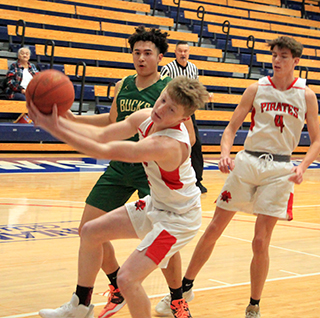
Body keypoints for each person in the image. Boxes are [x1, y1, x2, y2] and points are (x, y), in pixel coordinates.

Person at [156, 36, 320, 318]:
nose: (277, 60)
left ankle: (254, 304)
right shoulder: (256, 88)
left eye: (283, 56)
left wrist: (303, 166)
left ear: (296, 61)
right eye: (274, 55)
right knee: (214, 228)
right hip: (248, 162)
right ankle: (185, 288)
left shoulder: (306, 95)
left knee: (260, 241)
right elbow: (232, 128)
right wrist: (224, 153)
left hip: (280, 169)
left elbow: (316, 139)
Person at [41, 25, 194, 318]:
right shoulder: (123, 83)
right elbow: (111, 122)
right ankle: (105, 289)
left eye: (148, 53)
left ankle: (176, 299)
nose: (141, 58)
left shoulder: (169, 93)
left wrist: (166, 157)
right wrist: (75, 119)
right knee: (87, 230)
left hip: (151, 171)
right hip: (120, 166)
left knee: (165, 243)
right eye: (136, 52)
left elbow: (189, 136)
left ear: (160, 57)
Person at [160, 40, 207, 194]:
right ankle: (166, 179)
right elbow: (163, 89)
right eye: (180, 51)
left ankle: (197, 181)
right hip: (171, 113)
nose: (183, 54)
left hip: (188, 113)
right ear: (175, 52)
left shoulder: (193, 68)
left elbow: (197, 90)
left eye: (185, 51)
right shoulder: (168, 69)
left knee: (195, 144)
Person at [5, 47, 39, 123]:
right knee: (26, 100)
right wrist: (22, 90)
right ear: (18, 56)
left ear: (29, 56)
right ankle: (25, 121)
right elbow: (10, 81)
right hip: (17, 92)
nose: (25, 55)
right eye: (22, 53)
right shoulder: (14, 66)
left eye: (27, 54)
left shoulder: (33, 67)